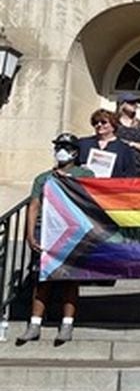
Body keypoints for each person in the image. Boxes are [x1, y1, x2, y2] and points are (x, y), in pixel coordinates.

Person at [17, 133, 94, 345]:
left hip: (73, 231)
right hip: (47, 230)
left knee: (70, 278)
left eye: (66, 147)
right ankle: (34, 324)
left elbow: (93, 199)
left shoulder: (85, 173)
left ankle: (67, 323)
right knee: (43, 278)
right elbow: (34, 205)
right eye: (59, 146)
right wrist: (30, 233)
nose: (61, 150)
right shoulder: (43, 178)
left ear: (75, 152)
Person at [77, 109, 140, 178]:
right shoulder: (83, 144)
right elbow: (70, 168)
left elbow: (130, 176)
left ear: (113, 125)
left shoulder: (124, 149)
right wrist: (79, 170)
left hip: (112, 187)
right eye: (95, 122)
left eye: (103, 122)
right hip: (85, 186)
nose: (99, 125)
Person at [114, 92, 140, 176]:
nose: (135, 105)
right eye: (131, 102)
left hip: (137, 168)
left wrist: (131, 144)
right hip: (116, 167)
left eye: (136, 103)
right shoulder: (113, 123)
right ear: (122, 104)